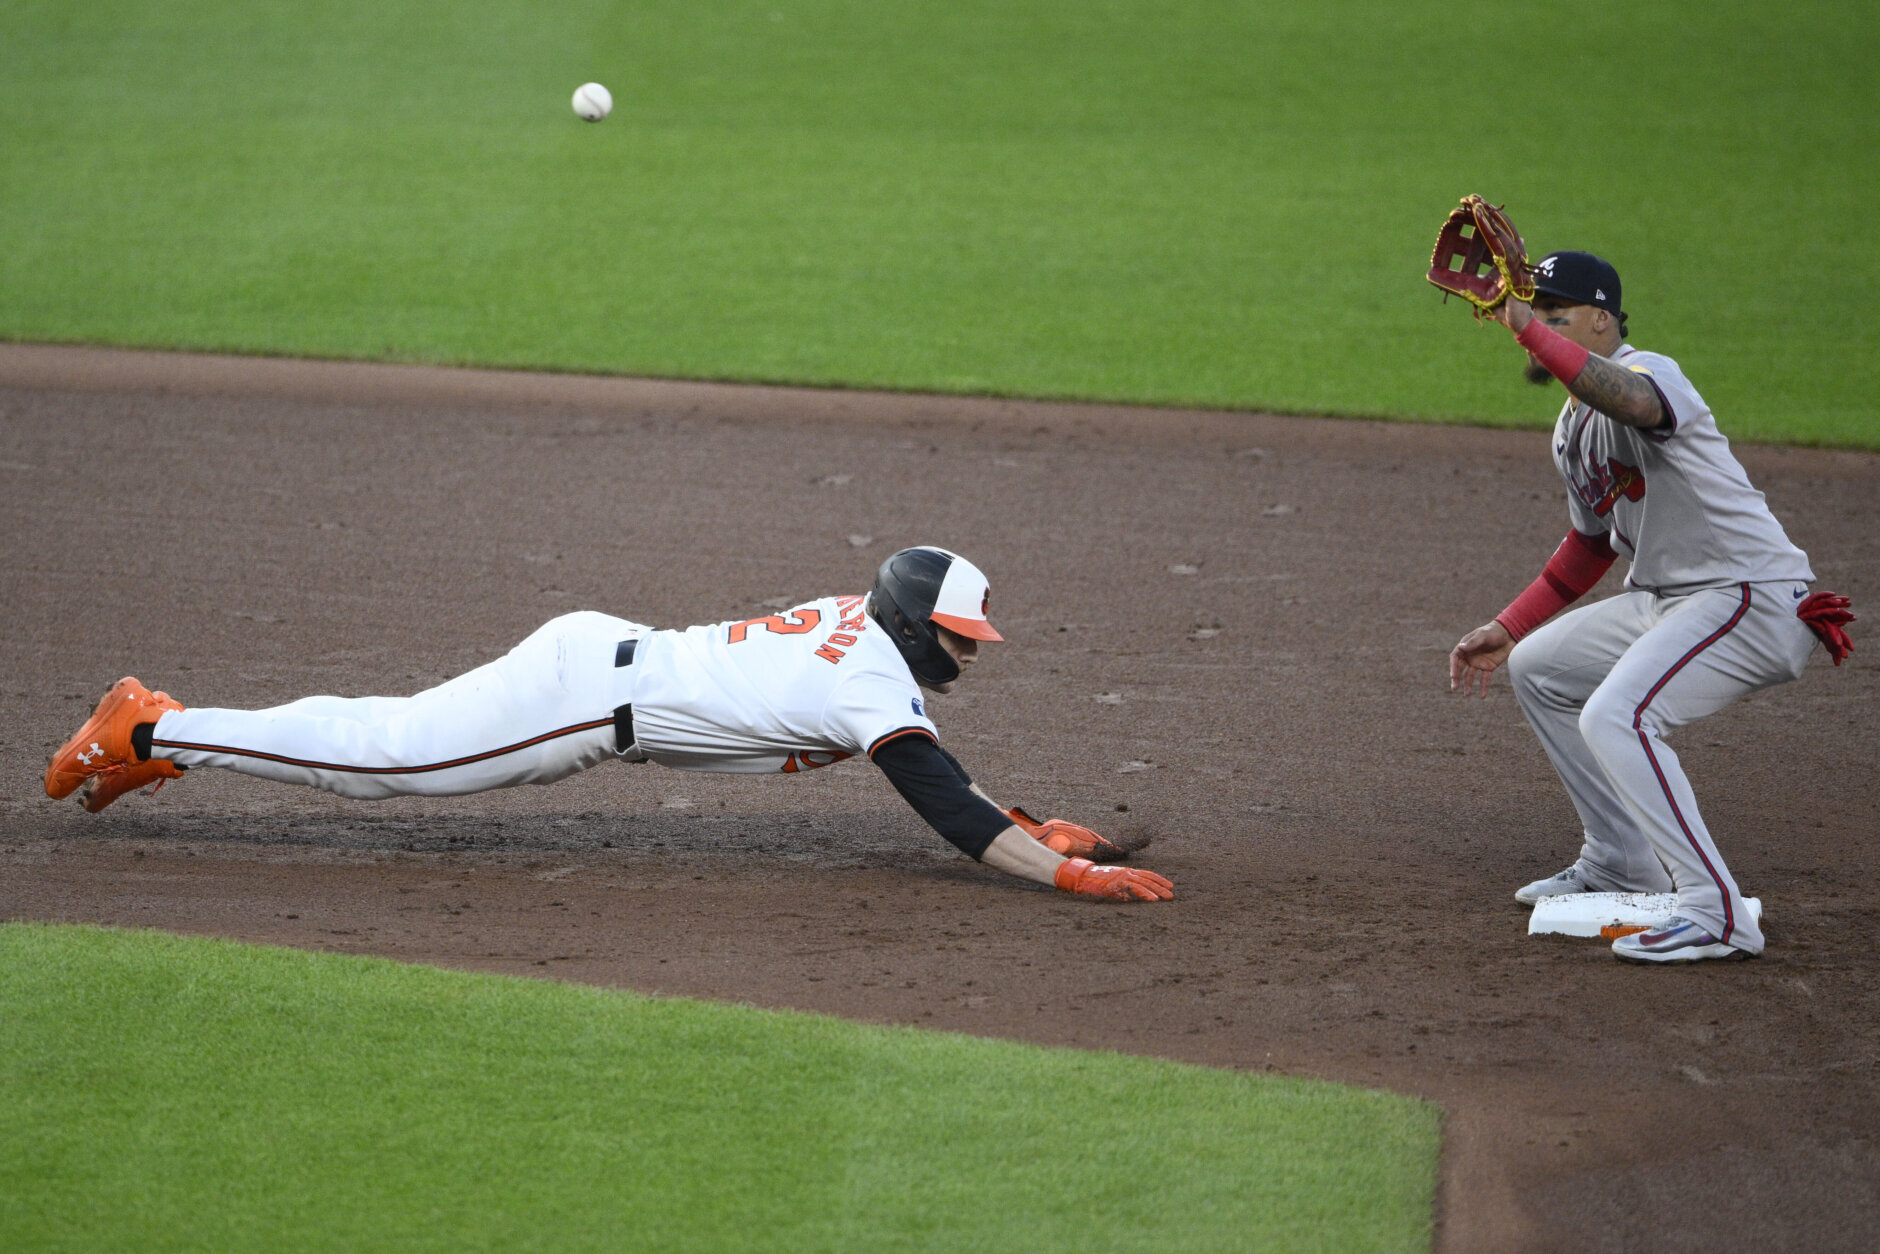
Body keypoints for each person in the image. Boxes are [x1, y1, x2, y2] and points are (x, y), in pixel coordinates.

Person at [46, 546, 1174, 903]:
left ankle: (172, 732)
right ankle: (148, 733)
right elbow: (941, 804)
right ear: (917, 627)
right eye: (960, 636)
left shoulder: (860, 628)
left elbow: (937, 769)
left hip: (598, 658)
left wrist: (1026, 821)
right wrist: (1060, 871)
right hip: (577, 702)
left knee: (386, 734)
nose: (968, 652)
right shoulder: (870, 685)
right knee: (383, 761)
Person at [1446, 250, 1853, 963]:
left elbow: (1634, 404)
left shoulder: (1650, 372)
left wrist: (1523, 326)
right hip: (1673, 600)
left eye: (1555, 314)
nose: (1539, 326)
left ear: (1602, 320)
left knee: (1618, 716)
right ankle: (1620, 860)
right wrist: (1510, 625)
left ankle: (1717, 914)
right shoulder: (1569, 429)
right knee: (1538, 667)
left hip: (1748, 595)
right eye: (1536, 312)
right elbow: (1589, 546)